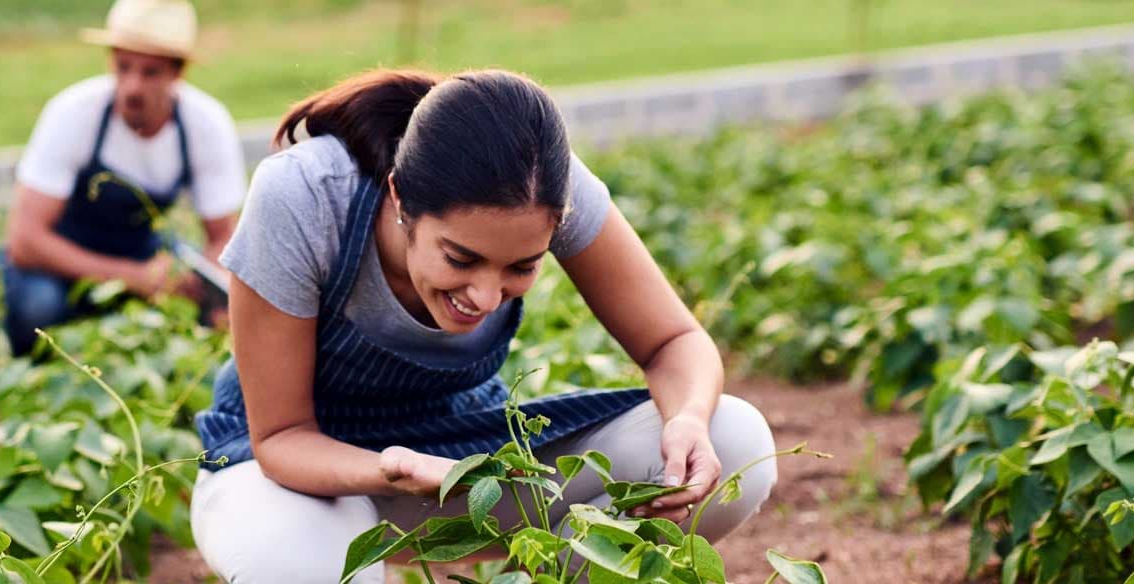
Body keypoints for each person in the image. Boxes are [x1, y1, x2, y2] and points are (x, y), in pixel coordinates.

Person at [190, 69, 779, 582]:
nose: (485, 295)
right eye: (460, 258)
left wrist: (688, 421)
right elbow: (281, 438)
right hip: (304, 475)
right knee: (297, 567)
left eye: (521, 267)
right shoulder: (304, 196)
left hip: (466, 460)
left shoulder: (549, 187)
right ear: (399, 198)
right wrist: (392, 469)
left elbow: (673, 341)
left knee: (735, 439)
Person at [0, 0, 244, 356]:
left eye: (150, 73)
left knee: (211, 305)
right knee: (39, 308)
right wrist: (131, 277)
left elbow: (222, 236)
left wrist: (200, 285)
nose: (133, 87)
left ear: (178, 72)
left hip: (142, 250)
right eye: (123, 67)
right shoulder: (73, 114)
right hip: (57, 255)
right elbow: (25, 242)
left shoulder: (204, 125)